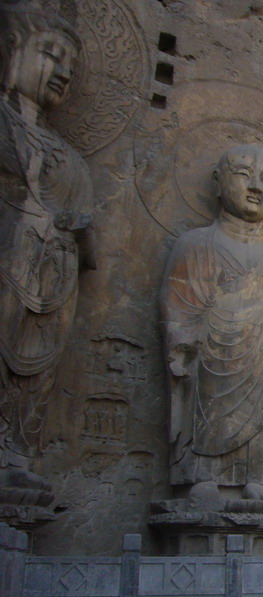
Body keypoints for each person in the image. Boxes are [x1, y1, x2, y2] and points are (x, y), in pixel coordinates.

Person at [160, 144, 263, 498]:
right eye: (243, 175)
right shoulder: (195, 245)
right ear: (217, 182)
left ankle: (255, 477)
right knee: (207, 403)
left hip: (261, 365)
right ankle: (200, 474)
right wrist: (193, 334)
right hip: (211, 361)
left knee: (262, 413)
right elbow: (176, 308)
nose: (255, 187)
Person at [0, 3, 94, 478]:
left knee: (34, 379)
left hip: (51, 280)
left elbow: (88, 249)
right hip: (8, 265)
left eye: (70, 66)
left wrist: (74, 230)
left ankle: (18, 453)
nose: (61, 72)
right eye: (50, 55)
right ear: (12, 49)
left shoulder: (70, 161)